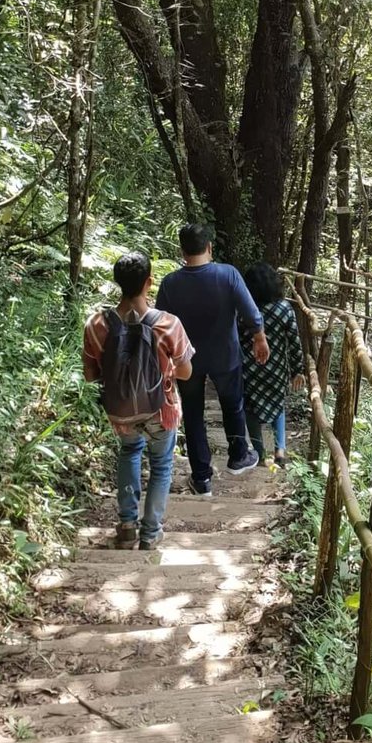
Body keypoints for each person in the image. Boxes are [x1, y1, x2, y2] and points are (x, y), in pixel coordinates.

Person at [83, 251, 194, 550]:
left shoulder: (96, 325)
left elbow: (91, 376)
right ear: (149, 282)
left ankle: (127, 526)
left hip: (120, 413)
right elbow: (185, 372)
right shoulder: (168, 324)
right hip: (161, 409)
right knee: (160, 465)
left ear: (117, 283)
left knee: (129, 453)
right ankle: (151, 533)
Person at [156, 223, 270, 498]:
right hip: (225, 357)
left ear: (182, 251)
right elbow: (251, 313)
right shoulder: (227, 275)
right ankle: (238, 457)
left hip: (187, 361)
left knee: (194, 414)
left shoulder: (171, 283)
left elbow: (160, 323)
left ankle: (202, 478)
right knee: (232, 404)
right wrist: (259, 337)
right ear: (209, 247)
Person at [240, 262, 304, 467]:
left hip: (249, 370)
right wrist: (298, 370)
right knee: (278, 406)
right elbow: (294, 341)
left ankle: (259, 453)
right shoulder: (284, 309)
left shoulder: (243, 311)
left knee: (250, 410)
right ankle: (280, 450)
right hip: (277, 369)